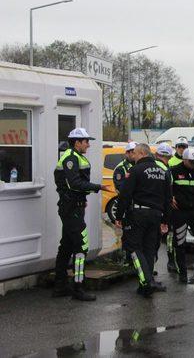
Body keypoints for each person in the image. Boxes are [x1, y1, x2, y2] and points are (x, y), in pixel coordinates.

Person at [52, 128, 111, 301]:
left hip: (74, 207)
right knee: (81, 247)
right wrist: (98, 187)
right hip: (71, 209)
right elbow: (74, 183)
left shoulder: (76, 156)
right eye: (86, 141)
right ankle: (78, 288)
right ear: (77, 142)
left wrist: (82, 198)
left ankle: (60, 286)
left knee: (66, 246)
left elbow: (77, 185)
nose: (89, 144)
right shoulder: (71, 158)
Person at [115, 144, 172, 298]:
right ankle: (145, 284)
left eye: (134, 153)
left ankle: (146, 282)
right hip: (156, 215)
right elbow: (168, 199)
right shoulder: (162, 172)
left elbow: (125, 195)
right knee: (148, 249)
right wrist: (165, 220)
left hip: (138, 214)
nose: (133, 156)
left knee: (133, 247)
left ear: (141, 153)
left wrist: (119, 217)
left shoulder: (136, 170)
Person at [170, 147, 194, 283]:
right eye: (191, 162)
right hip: (180, 211)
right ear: (184, 160)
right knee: (180, 242)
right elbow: (165, 186)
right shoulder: (174, 170)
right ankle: (182, 273)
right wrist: (170, 197)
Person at [155, 143, 177, 273]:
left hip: (151, 208)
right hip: (161, 210)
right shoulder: (165, 170)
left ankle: (148, 270)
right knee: (155, 240)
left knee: (152, 241)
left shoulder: (150, 166)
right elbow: (166, 193)